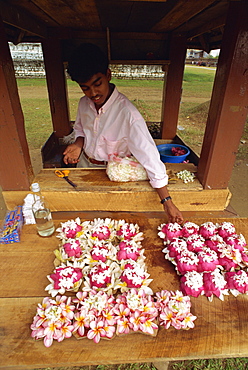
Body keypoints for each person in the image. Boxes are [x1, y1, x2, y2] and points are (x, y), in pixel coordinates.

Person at [63, 43, 184, 224]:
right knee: (84, 217)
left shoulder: (129, 115)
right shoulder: (83, 104)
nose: (93, 93)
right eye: (85, 88)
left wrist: (166, 201)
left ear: (108, 75)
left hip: (114, 175)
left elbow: (149, 155)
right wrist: (78, 145)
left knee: (111, 221)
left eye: (98, 84)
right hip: (84, 167)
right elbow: (80, 128)